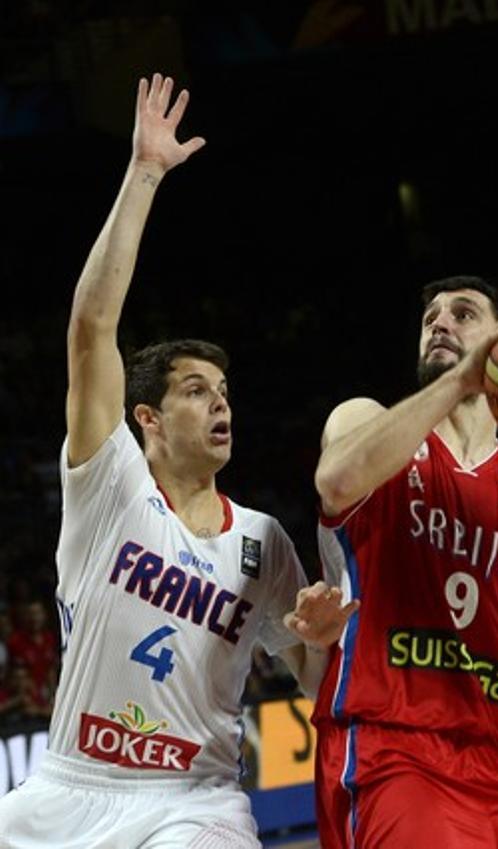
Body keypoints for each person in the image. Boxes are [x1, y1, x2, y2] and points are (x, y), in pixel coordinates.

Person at [0, 72, 356, 849]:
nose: (221, 403)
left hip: (194, 802)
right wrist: (145, 172)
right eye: (197, 390)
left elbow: (311, 677)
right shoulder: (110, 484)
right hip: (67, 787)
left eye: (224, 391)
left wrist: (323, 638)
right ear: (148, 419)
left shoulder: (262, 540)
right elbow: (91, 330)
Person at [290, 275, 498, 848]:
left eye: (464, 314)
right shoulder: (365, 419)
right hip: (390, 752)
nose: (440, 324)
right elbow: (336, 480)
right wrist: (462, 379)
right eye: (430, 319)